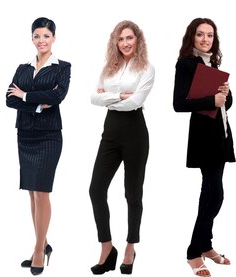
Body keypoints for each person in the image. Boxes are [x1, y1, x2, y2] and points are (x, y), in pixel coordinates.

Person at [88, 20, 154, 275]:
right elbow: (93, 98)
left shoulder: (147, 68)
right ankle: (107, 246)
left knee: (132, 193)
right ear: (115, 42)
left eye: (129, 38)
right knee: (96, 189)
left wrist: (113, 98)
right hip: (111, 132)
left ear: (137, 40)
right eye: (121, 39)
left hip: (136, 133)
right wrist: (122, 97)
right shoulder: (110, 67)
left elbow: (136, 102)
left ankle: (130, 246)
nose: (125, 43)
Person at [6, 17, 71, 276]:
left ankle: (37, 250)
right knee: (31, 193)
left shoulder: (62, 67)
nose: (41, 40)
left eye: (46, 36)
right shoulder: (23, 67)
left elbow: (58, 96)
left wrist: (25, 95)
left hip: (48, 136)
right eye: (37, 36)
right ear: (31, 38)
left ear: (53, 38)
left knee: (42, 192)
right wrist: (33, 103)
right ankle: (43, 244)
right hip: (25, 135)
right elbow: (9, 99)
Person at [173, 18, 235, 277]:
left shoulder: (213, 63)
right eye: (200, 35)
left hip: (220, 135)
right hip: (204, 138)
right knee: (214, 194)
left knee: (211, 193)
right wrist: (213, 98)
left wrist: (226, 94)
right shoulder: (186, 64)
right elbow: (179, 103)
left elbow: (225, 104)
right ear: (192, 37)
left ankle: (205, 245)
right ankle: (193, 252)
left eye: (210, 35)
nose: (205, 39)